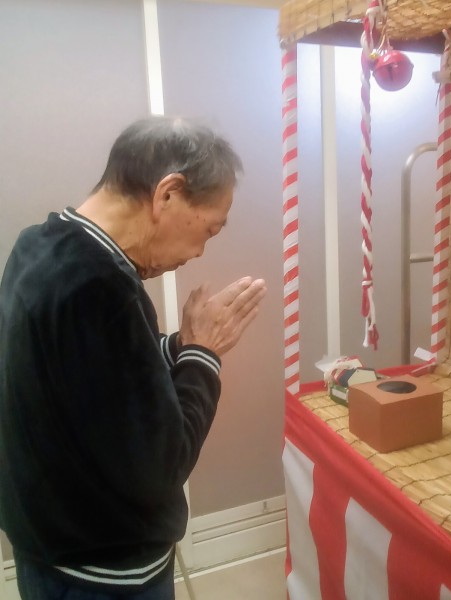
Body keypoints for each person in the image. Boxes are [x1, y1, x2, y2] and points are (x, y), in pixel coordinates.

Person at [0, 116, 267, 599]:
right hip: (102, 570)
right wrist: (203, 355)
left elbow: (94, 375)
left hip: (44, 545)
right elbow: (163, 467)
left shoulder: (37, 246)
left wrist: (180, 344)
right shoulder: (103, 288)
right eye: (209, 230)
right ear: (168, 193)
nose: (200, 251)